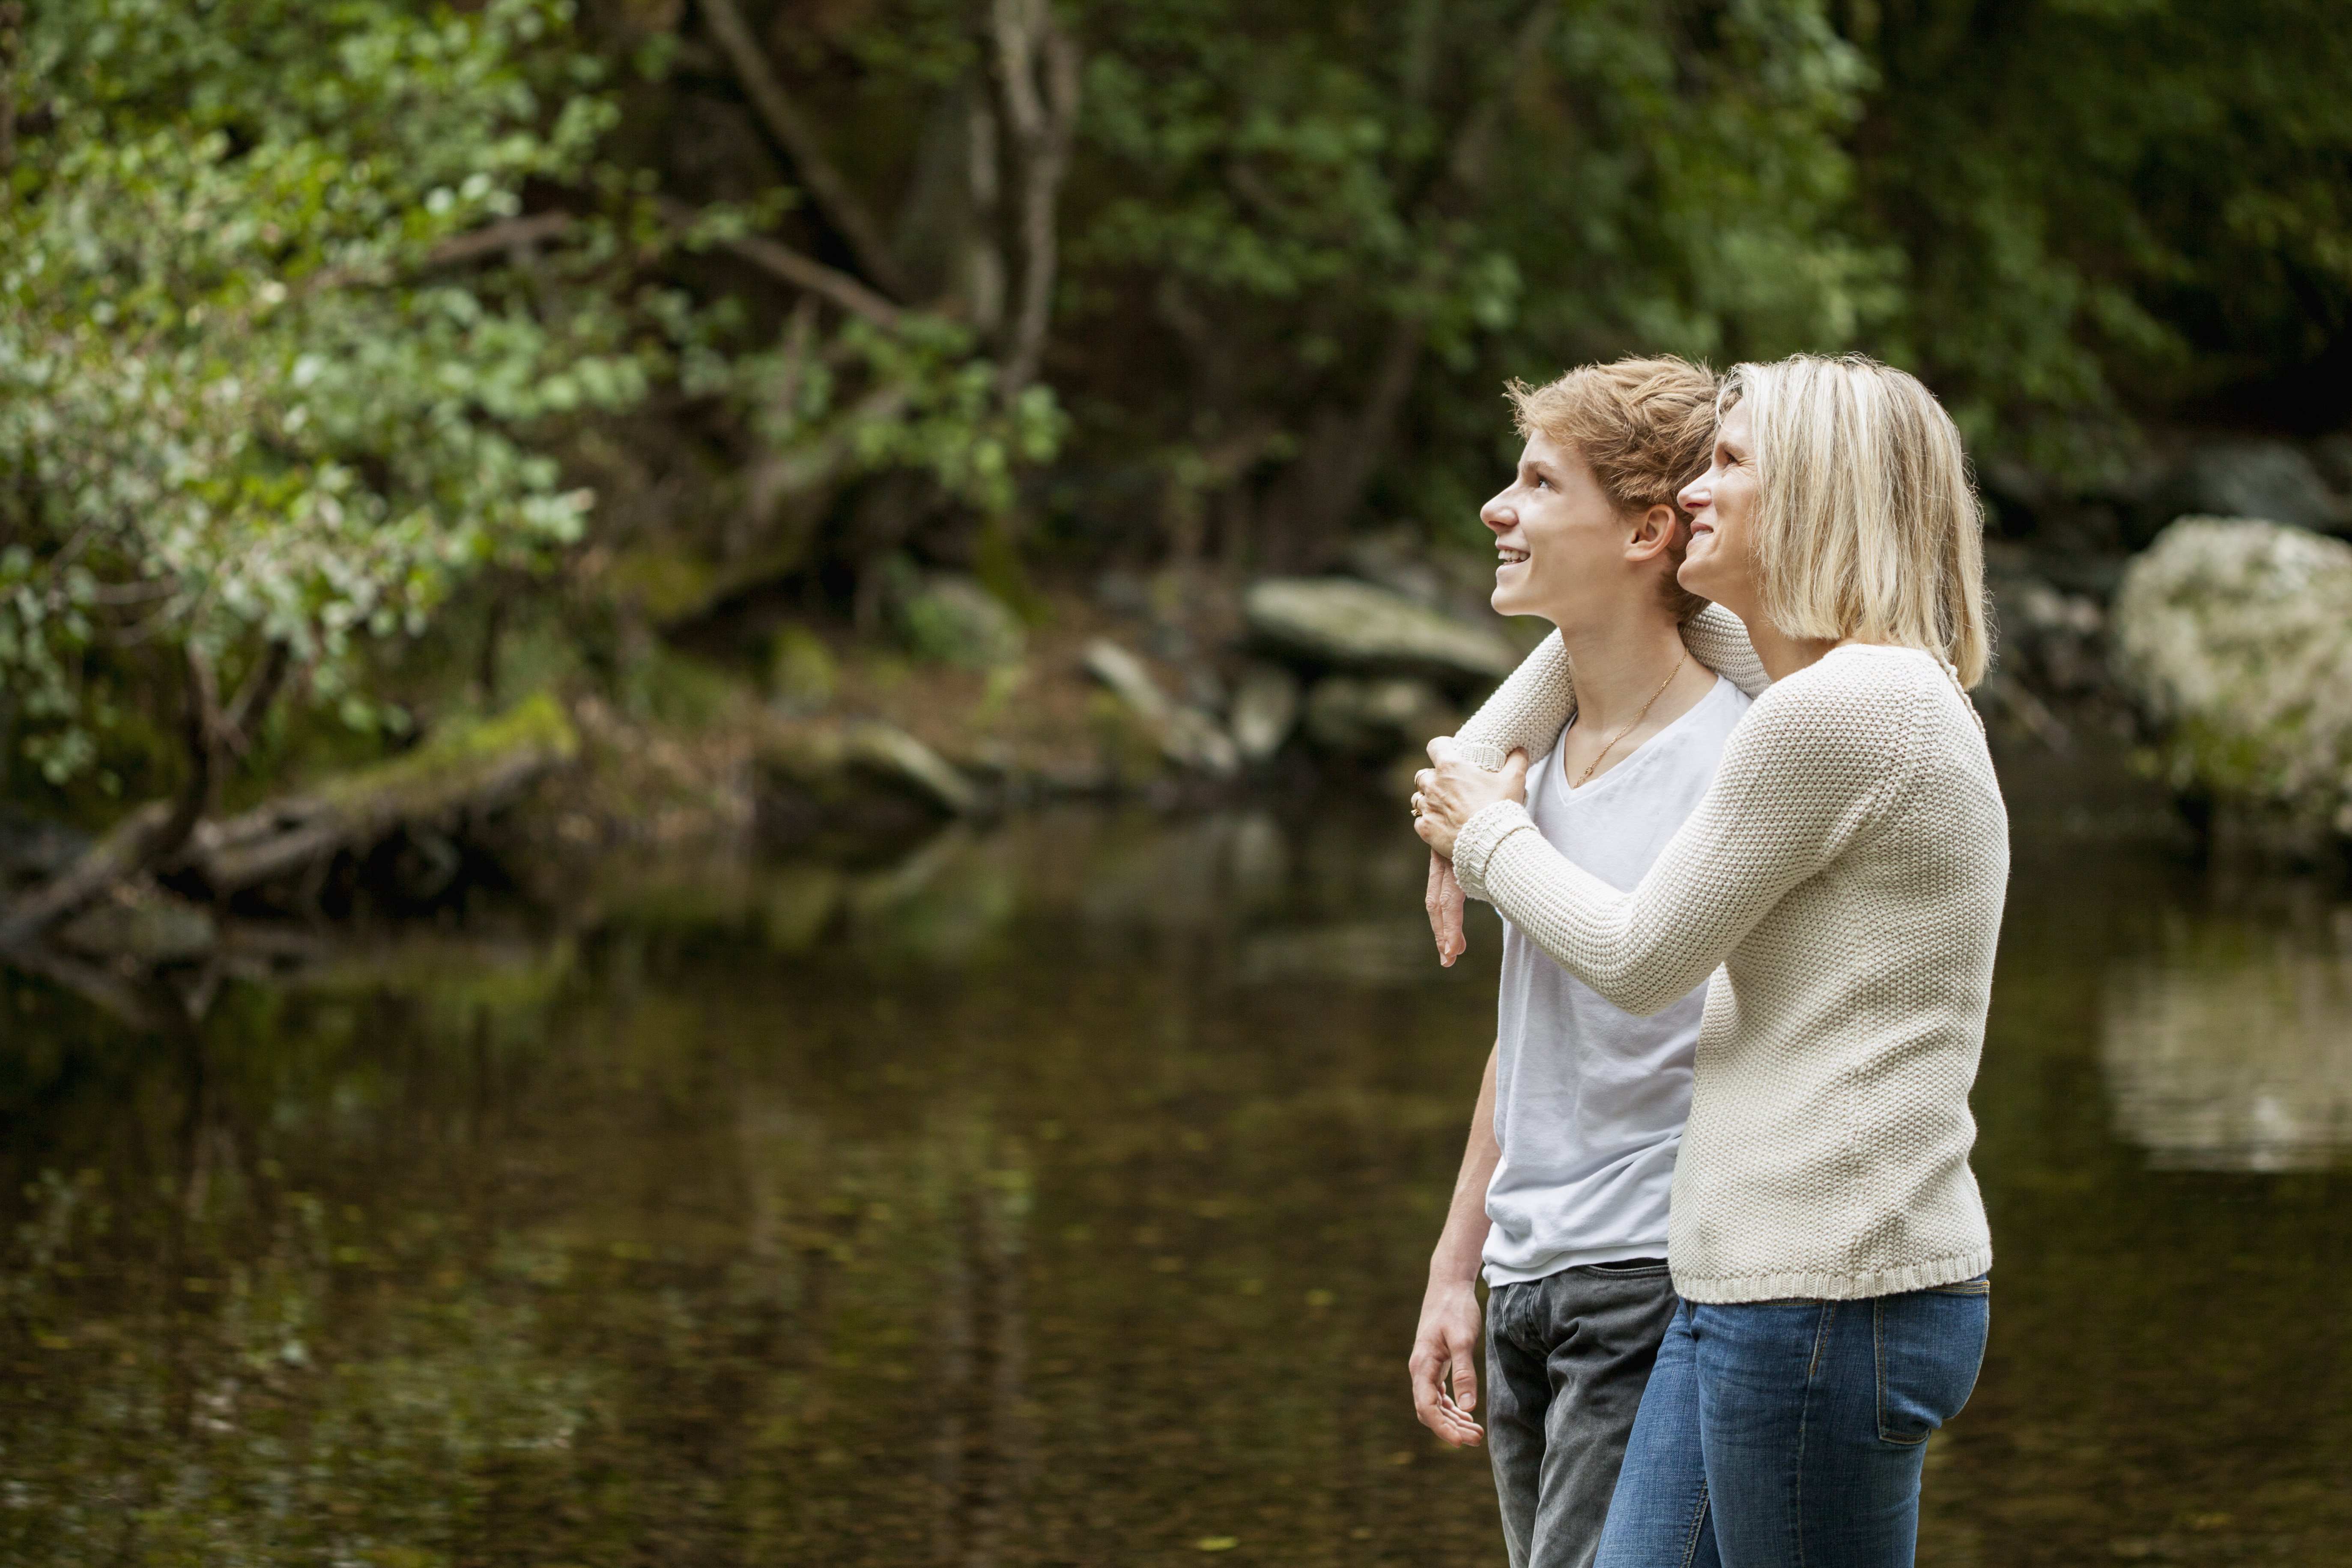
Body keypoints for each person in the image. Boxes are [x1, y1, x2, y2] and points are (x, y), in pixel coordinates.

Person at [1412, 353, 2006, 1568]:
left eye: (1729, 464)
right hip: (1746, 1281)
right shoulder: (1844, 687)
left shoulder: (1840, 711)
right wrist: (1475, 790)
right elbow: (1617, 638)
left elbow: (1636, 960)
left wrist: (1483, 836)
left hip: (1830, 1293)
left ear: (1816, 496)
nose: (1696, 491)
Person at [1407, 356, 1767, 1568]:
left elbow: (1646, 971)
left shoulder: (1743, 755)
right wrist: (1457, 1267)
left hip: (1652, 1283)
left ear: (1646, 532)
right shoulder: (1533, 757)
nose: (1495, 510)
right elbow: (1530, 1031)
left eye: (1537, 482)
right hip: (1527, 1278)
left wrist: (1480, 833)